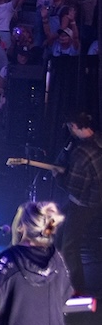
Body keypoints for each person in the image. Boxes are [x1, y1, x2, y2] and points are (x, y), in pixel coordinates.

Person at [60, 111, 102, 293]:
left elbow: (75, 188)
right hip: (96, 201)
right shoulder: (99, 140)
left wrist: (58, 176)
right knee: (59, 227)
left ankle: (76, 289)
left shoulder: (82, 152)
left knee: (69, 246)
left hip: (84, 204)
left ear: (74, 126)